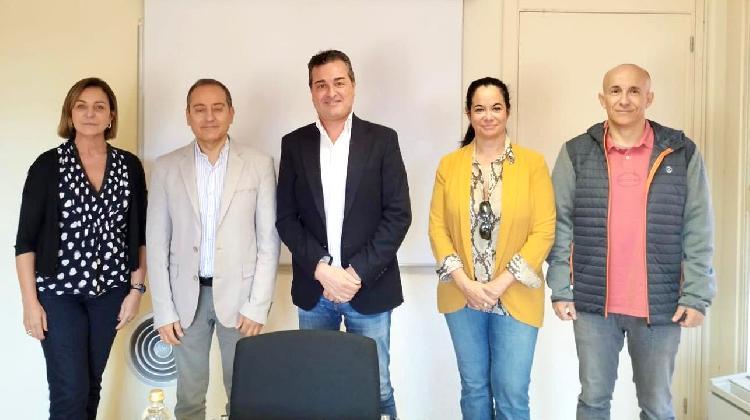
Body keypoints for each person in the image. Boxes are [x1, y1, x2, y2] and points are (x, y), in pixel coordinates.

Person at [546, 64, 716, 419]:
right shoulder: (576, 152)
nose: (624, 99)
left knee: (657, 407)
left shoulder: (681, 152)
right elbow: (559, 223)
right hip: (594, 304)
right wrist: (560, 288)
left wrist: (697, 294)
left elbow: (699, 227)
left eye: (634, 91)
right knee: (593, 401)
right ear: (602, 98)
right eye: (615, 90)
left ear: (649, 98)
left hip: (661, 306)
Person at [275, 49, 411, 418]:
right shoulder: (294, 143)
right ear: (311, 91)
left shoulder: (382, 140)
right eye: (321, 85)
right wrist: (322, 269)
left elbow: (398, 215)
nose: (330, 92)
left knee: (376, 385)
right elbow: (286, 218)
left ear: (353, 85)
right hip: (314, 290)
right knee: (316, 385)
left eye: (338, 82)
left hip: (368, 287)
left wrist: (354, 275)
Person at [15, 77, 147, 420]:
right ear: (70, 114)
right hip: (58, 293)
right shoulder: (47, 166)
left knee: (90, 386)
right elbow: (26, 241)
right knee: (69, 390)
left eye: (99, 106)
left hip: (110, 292)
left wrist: (136, 290)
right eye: (82, 106)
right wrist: (30, 303)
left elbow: (138, 234)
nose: (90, 114)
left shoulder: (129, 167)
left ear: (111, 115)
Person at [147, 79, 280, 420]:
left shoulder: (259, 164)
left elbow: (268, 240)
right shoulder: (166, 167)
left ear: (231, 113)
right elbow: (157, 243)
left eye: (218, 108)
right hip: (184, 301)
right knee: (189, 399)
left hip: (241, 300)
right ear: (187, 116)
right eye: (199, 109)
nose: (209, 117)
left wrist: (258, 305)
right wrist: (163, 309)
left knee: (244, 397)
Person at [428, 77, 556, 420]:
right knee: (474, 389)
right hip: (462, 296)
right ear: (469, 113)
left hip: (515, 294)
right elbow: (437, 228)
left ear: (508, 111)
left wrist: (499, 285)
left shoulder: (532, 164)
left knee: (511, 394)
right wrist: (465, 284)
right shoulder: (449, 165)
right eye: (480, 108)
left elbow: (544, 230)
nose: (488, 116)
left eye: (496, 107)